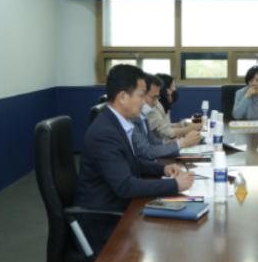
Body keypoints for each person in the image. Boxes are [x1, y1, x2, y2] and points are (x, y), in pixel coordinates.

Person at [75, 64, 195, 252]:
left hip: (121, 207)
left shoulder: (117, 123)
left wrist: (163, 169)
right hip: (106, 221)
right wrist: (174, 185)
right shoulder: (104, 133)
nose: (144, 102)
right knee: (171, 241)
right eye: (141, 95)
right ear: (123, 97)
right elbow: (125, 186)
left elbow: (132, 161)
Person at [132, 75, 200, 159]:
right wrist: (182, 143)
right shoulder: (134, 118)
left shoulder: (143, 115)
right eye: (154, 97)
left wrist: (171, 142)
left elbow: (152, 141)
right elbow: (147, 151)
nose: (156, 103)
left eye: (157, 97)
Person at [147, 73, 202, 141]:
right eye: (172, 86)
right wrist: (189, 129)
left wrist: (181, 124)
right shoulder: (154, 107)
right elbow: (164, 132)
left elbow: (165, 125)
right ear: (165, 89)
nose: (174, 89)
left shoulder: (164, 105)